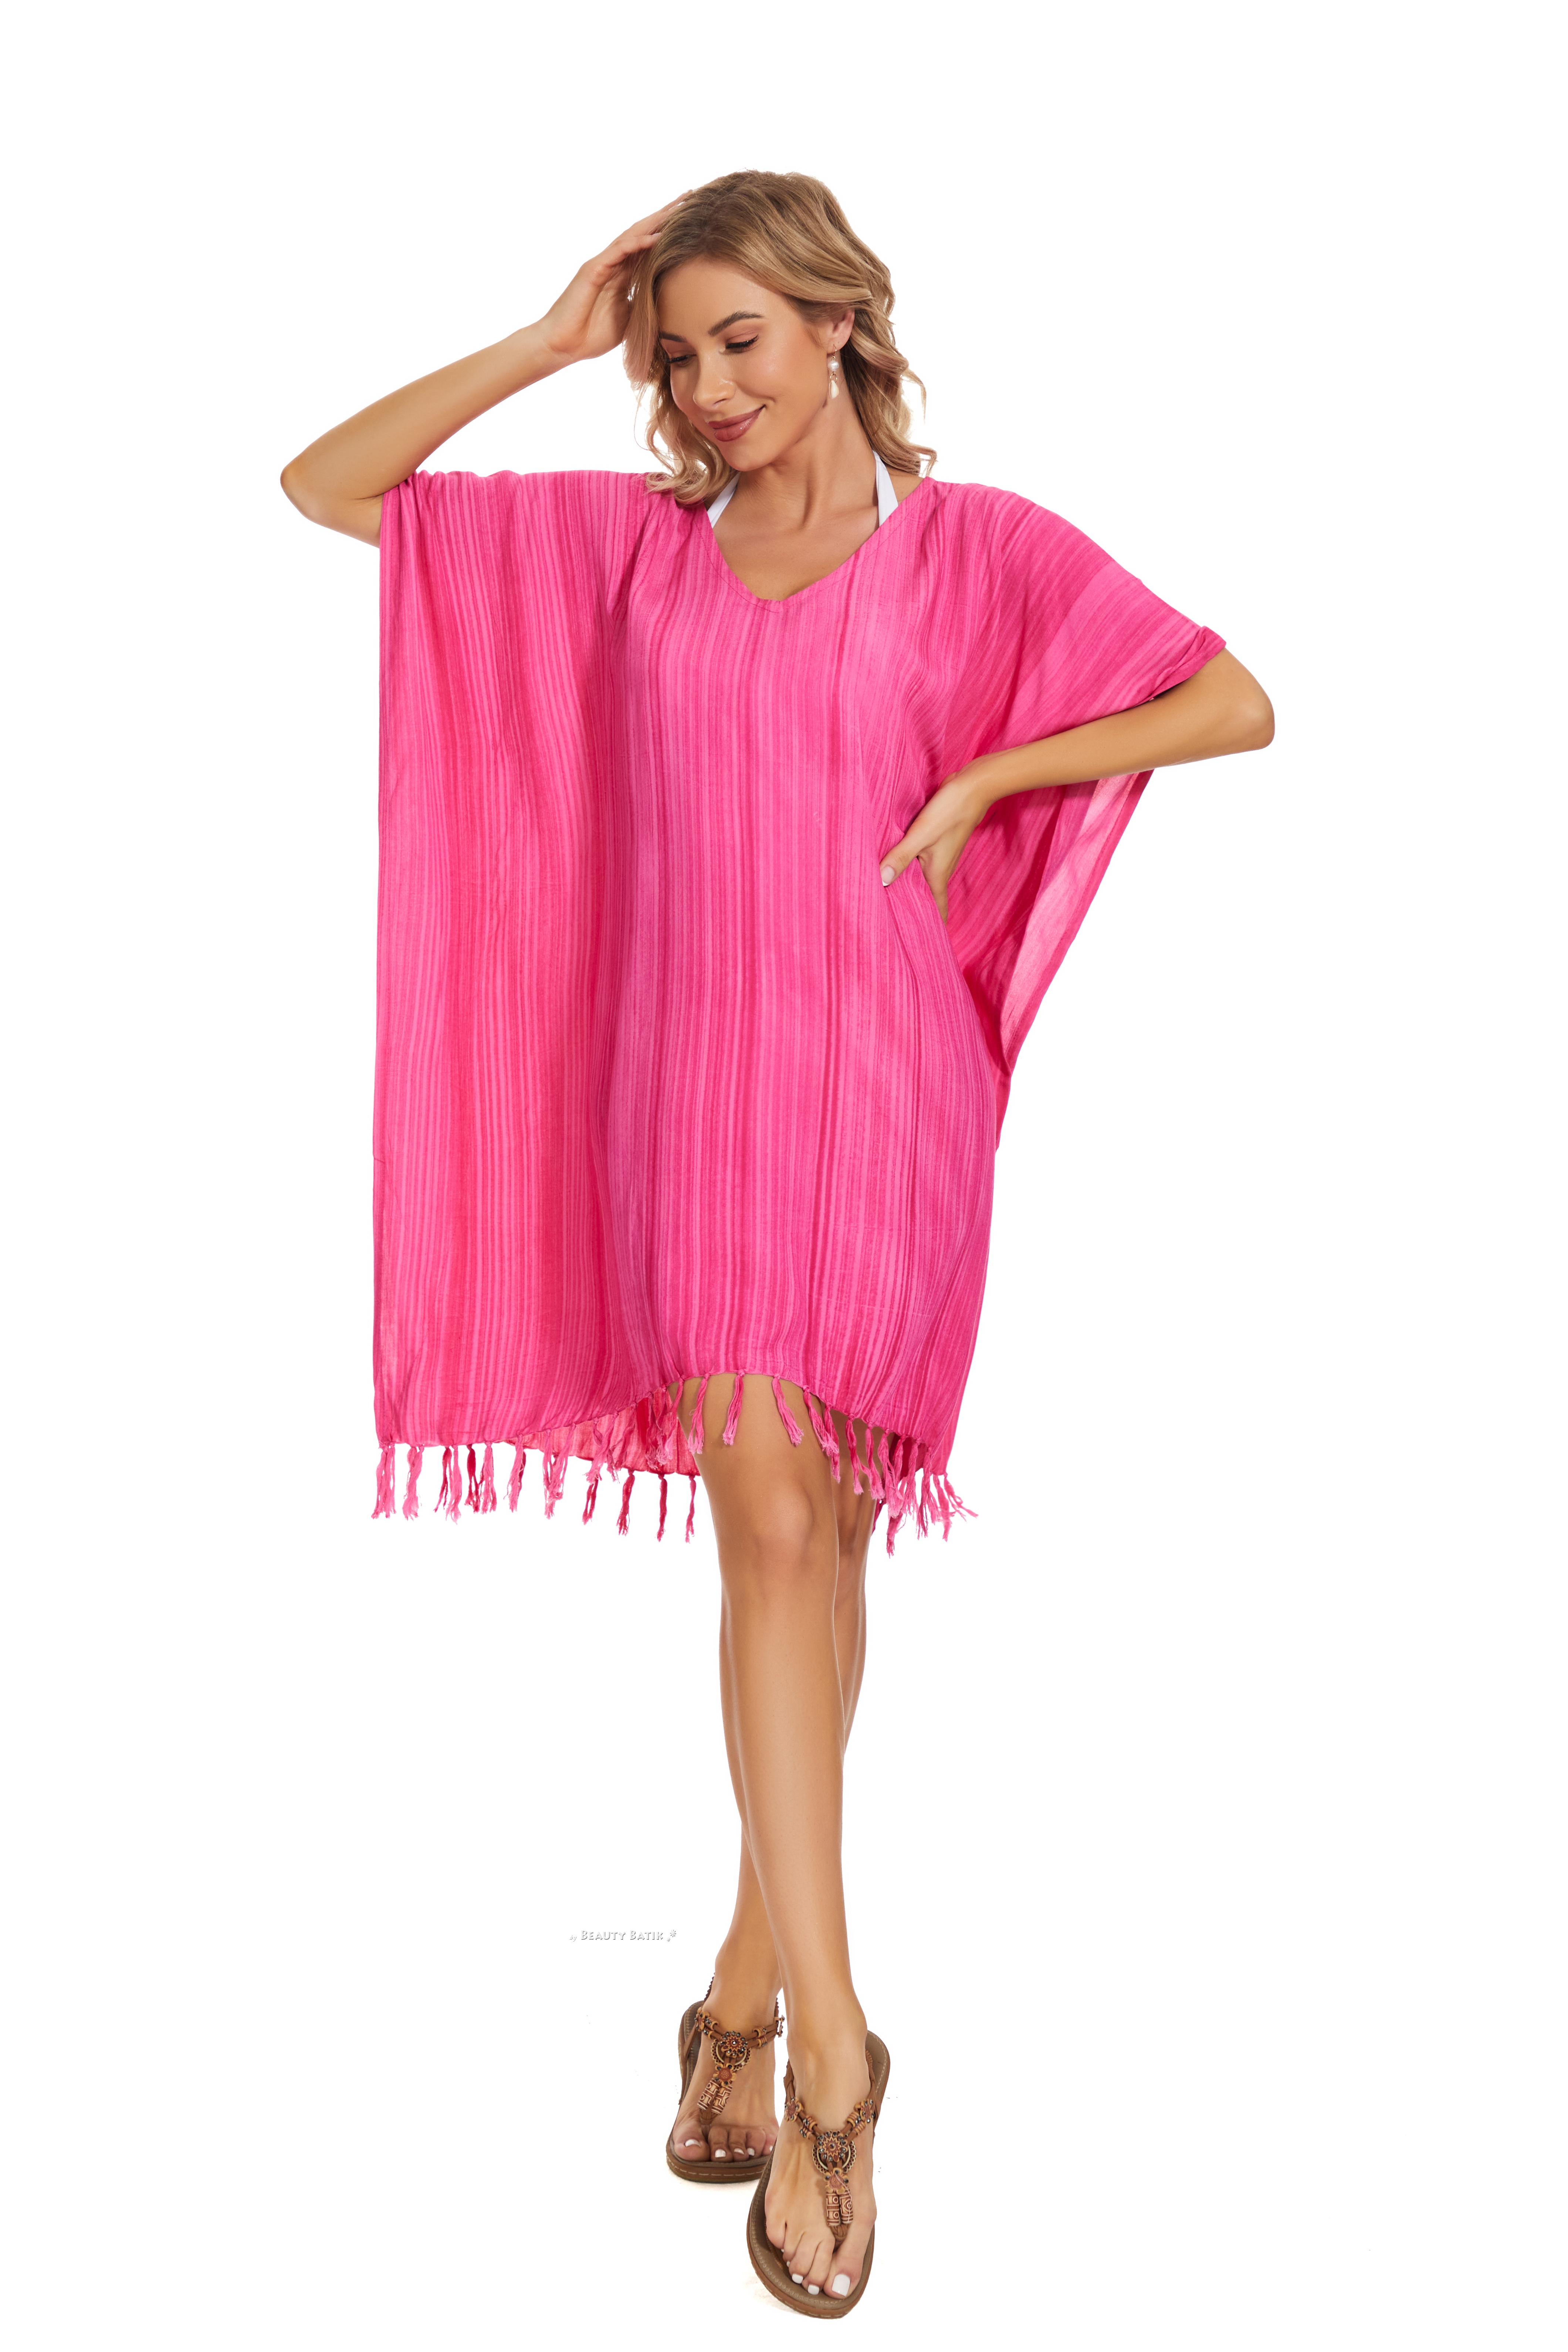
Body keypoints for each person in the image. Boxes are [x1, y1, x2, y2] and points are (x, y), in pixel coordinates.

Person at [281, 170, 1273, 2315]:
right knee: (767, 1531)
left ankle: (738, 1984)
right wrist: (549, 339)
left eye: (743, 339)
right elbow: (327, 488)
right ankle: (833, 2061)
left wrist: (998, 774)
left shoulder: (976, 548)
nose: (709, 388)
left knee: (818, 1552)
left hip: (891, 1102)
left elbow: (1229, 704)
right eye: (679, 355)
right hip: (683, 1099)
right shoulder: (634, 552)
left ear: (839, 324)